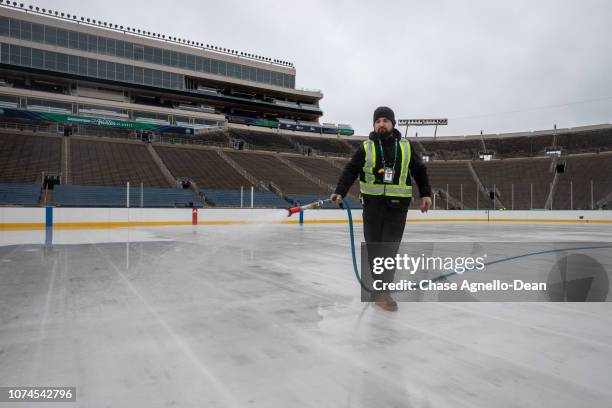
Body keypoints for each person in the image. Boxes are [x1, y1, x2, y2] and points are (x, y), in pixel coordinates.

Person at [331, 106, 432, 312]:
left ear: (393, 124)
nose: (381, 124)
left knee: (389, 250)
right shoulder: (366, 147)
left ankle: (383, 293)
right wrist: (340, 191)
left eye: (386, 120)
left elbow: (419, 170)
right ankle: (379, 289)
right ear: (374, 125)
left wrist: (426, 194)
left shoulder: (405, 146)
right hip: (373, 207)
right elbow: (351, 169)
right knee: (375, 249)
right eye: (378, 121)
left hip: (397, 208)